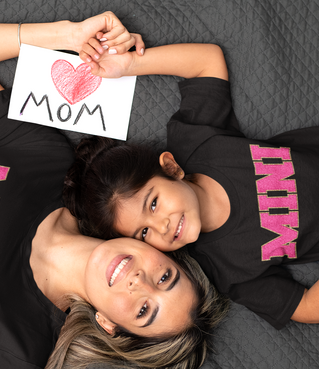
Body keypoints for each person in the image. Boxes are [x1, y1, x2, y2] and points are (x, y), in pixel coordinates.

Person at [0, 12, 229, 369]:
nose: (138, 282)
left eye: (144, 311)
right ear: (160, 252)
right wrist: (69, 36)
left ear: (111, 326)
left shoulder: (16, 353)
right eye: (164, 277)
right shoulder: (49, 165)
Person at [65, 40, 319, 331]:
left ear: (171, 169)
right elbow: (303, 306)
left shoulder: (197, 144)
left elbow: (206, 62)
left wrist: (130, 65)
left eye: (154, 203)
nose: (162, 227)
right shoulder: (223, 270)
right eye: (144, 232)